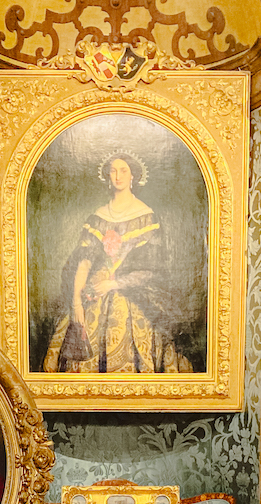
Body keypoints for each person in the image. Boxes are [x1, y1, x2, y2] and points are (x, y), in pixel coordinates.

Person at [42, 152, 193, 374]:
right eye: (113, 171)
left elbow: (151, 269)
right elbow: (83, 262)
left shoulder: (146, 216)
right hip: (95, 291)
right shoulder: (97, 216)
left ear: (133, 176)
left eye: (123, 170)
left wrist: (114, 284)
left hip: (135, 294)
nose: (118, 176)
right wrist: (76, 302)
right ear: (107, 176)